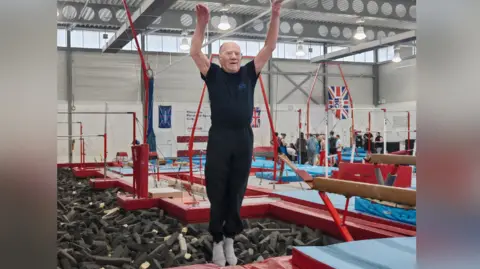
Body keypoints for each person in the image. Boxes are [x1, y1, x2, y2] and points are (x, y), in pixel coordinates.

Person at [189, 1, 283, 266]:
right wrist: (201, 24)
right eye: (228, 53)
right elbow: (195, 52)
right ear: (219, 57)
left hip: (243, 138)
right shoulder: (213, 74)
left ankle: (230, 237)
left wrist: (275, 15)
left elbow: (270, 47)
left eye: (237, 53)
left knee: (237, 189)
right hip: (220, 137)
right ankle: (217, 239)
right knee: (217, 188)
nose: (233, 56)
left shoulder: (248, 73)